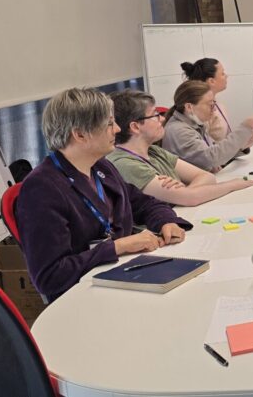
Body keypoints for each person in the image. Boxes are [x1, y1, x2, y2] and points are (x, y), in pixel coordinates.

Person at [16, 88, 192, 301]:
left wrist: (166, 221)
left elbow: (144, 204)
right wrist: (119, 246)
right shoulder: (41, 188)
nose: (117, 129)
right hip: (83, 297)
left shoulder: (102, 168)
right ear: (80, 134)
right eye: (109, 124)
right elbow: (50, 276)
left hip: (122, 278)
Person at [108, 90, 253, 206]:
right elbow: (191, 199)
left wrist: (186, 192)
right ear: (135, 127)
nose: (162, 118)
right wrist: (232, 185)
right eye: (155, 115)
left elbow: (207, 176)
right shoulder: (125, 164)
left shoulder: (154, 151)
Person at [161, 80, 253, 173]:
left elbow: (215, 151)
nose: (214, 109)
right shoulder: (178, 131)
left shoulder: (195, 124)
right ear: (189, 107)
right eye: (210, 104)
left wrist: (240, 146)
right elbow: (212, 158)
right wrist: (244, 128)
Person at [182, 58, 232, 142]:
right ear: (211, 81)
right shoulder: (199, 110)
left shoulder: (218, 104)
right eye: (222, 73)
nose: (226, 76)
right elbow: (206, 148)